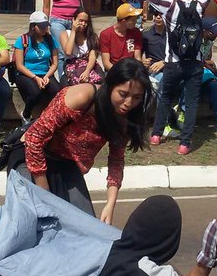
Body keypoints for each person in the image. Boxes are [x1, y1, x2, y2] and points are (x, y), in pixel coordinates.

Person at [12, 58, 150, 224]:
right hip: (32, 155)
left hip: (67, 164)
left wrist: (110, 205)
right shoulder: (82, 96)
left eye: (136, 97)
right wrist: (44, 193)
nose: (128, 103)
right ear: (110, 85)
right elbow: (34, 137)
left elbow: (116, 161)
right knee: (33, 225)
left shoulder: (124, 119)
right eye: (123, 94)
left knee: (84, 226)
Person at [145, 0, 212, 156]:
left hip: (173, 63)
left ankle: (156, 135)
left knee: (166, 98)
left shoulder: (169, 5)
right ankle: (185, 143)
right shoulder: (200, 5)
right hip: (195, 64)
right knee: (191, 103)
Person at [12, 11, 60, 120]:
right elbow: (19, 65)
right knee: (35, 93)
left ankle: (51, 118)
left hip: (45, 73)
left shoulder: (51, 40)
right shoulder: (23, 40)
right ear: (33, 26)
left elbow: (55, 63)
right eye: (42, 26)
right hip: (26, 74)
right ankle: (26, 115)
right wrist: (35, 78)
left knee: (57, 92)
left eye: (46, 26)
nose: (45, 29)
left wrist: (47, 76)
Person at [60, 8, 102, 86]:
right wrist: (73, 31)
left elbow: (92, 57)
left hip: (89, 67)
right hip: (71, 67)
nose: (83, 24)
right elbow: (68, 52)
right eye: (80, 20)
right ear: (74, 20)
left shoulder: (93, 37)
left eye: (86, 22)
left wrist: (87, 71)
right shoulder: (65, 34)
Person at [99, 3, 143, 71]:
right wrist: (122, 74)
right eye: (133, 20)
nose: (136, 22)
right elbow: (106, 63)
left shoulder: (136, 32)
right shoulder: (105, 34)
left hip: (132, 70)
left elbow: (138, 58)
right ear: (124, 21)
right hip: (114, 70)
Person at [140, 10, 167, 92]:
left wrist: (164, 62)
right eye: (156, 15)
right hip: (152, 70)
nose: (158, 17)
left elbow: (178, 54)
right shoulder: (146, 34)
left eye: (161, 15)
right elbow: (140, 52)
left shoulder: (172, 34)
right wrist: (143, 61)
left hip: (169, 69)